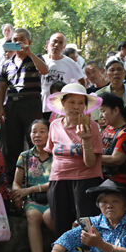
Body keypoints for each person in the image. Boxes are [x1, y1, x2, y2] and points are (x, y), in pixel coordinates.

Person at [45, 83, 103, 238]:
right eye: (72, 102)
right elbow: (52, 153)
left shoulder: (92, 127)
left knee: (87, 225)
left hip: (85, 181)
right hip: (58, 181)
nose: (76, 106)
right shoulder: (54, 125)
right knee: (61, 225)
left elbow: (91, 163)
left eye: (80, 103)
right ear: (63, 103)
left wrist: (86, 140)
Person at [0, 27, 48, 181]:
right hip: (11, 105)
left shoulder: (37, 58)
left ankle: (36, 176)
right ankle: (11, 178)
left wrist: (29, 52)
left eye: (22, 39)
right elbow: (1, 89)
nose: (18, 42)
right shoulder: (6, 64)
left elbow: (44, 70)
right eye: (15, 40)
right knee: (10, 143)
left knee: (34, 140)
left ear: (29, 42)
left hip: (31, 103)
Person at [11, 119, 53, 252]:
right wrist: (17, 194)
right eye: (34, 131)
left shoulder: (55, 154)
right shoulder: (25, 156)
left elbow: (55, 182)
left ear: (49, 134)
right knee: (32, 216)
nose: (37, 135)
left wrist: (29, 189)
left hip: (52, 199)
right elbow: (16, 182)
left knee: (50, 217)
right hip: (33, 201)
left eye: (42, 131)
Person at [41, 32, 86, 117]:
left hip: (61, 108)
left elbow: (82, 82)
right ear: (48, 43)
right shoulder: (41, 60)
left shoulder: (70, 63)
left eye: (60, 43)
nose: (56, 45)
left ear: (64, 47)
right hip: (42, 105)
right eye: (54, 41)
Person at [99, 93, 126, 184]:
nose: (100, 116)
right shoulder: (108, 128)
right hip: (105, 179)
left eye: (103, 111)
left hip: (120, 184)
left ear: (116, 110)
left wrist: (91, 158)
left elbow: (116, 159)